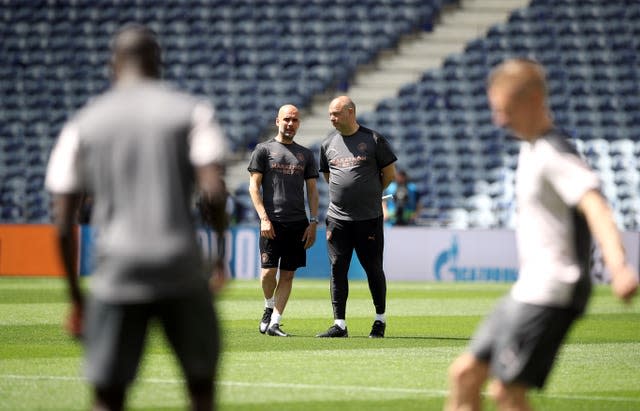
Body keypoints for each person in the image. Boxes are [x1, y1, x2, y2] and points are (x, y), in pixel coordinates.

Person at [45, 24, 229, 411]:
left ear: (114, 65)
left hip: (117, 270)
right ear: (158, 63)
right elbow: (214, 193)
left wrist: (78, 300)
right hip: (179, 264)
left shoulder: (83, 123)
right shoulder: (192, 111)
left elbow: (63, 224)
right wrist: (219, 258)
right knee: (200, 388)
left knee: (108, 395)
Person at [445, 58, 638, 411]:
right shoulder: (529, 148)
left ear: (533, 100)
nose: (499, 120)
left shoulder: (555, 152)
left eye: (504, 110)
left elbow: (597, 207)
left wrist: (619, 266)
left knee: (507, 392)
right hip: (529, 287)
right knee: (465, 375)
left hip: (555, 289)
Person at [317, 96, 397, 338]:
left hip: (368, 218)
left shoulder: (373, 139)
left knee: (373, 268)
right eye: (330, 114)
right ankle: (339, 324)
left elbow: (389, 175)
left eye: (336, 113)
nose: (332, 118)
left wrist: (368, 195)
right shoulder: (327, 143)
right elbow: (328, 176)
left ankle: (379, 320)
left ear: (350, 112)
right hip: (338, 219)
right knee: (337, 269)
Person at [248, 104, 319, 337]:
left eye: (295, 120)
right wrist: (263, 218)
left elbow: (313, 191)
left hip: (297, 224)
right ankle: (268, 306)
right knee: (268, 273)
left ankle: (275, 322)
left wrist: (313, 221)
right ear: (277, 121)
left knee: (288, 274)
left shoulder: (306, 154)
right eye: (287, 119)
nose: (291, 124)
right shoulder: (263, 150)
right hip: (271, 222)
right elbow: (253, 187)